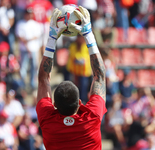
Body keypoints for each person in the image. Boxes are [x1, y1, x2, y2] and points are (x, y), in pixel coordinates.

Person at [36, 6, 107, 149]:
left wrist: (51, 38)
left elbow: (43, 80)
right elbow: (99, 77)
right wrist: (88, 34)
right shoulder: (91, 118)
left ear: (54, 105)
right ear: (80, 102)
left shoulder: (48, 120)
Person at [15, 7, 43, 89]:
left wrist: (28, 40)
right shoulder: (20, 23)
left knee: (34, 66)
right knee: (23, 66)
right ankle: (22, 83)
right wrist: (26, 43)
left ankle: (32, 83)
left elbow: (37, 35)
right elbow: (19, 36)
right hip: (24, 49)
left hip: (34, 48)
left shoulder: (35, 24)